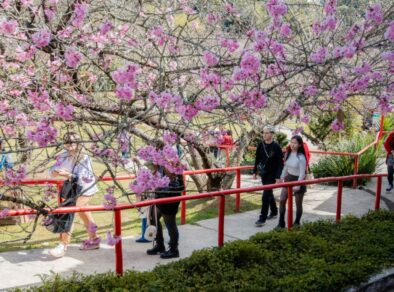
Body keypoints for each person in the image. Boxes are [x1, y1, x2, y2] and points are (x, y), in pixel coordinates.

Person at [48, 132, 100, 258]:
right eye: (66, 141)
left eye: (72, 141)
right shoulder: (64, 156)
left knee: (67, 212)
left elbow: (83, 178)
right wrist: (55, 171)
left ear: (78, 143)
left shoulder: (84, 157)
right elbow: (51, 171)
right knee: (85, 214)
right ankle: (94, 240)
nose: (69, 144)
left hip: (86, 188)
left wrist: (68, 175)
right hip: (74, 188)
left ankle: (63, 245)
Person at [146, 167, 184, 259]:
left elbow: (173, 182)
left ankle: (174, 250)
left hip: (170, 197)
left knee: (170, 223)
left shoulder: (170, 161)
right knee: (153, 219)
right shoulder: (159, 162)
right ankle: (160, 245)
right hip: (161, 197)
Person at [253, 125, 284, 227]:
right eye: (263, 133)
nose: (264, 135)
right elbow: (257, 159)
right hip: (264, 173)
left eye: (266, 133)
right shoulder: (260, 145)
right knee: (269, 193)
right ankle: (274, 211)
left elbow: (280, 163)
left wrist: (278, 176)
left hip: (272, 174)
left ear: (272, 134)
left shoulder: (276, 146)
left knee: (265, 195)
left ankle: (262, 218)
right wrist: (255, 171)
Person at [277, 135, 307, 228]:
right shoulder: (288, 154)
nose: (292, 145)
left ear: (300, 145)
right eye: (291, 142)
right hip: (288, 178)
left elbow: (302, 173)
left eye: (295, 143)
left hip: (299, 180)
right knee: (282, 200)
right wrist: (281, 177)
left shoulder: (301, 157)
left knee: (298, 203)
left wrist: (298, 185)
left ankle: (297, 222)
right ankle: (281, 222)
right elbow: (285, 167)